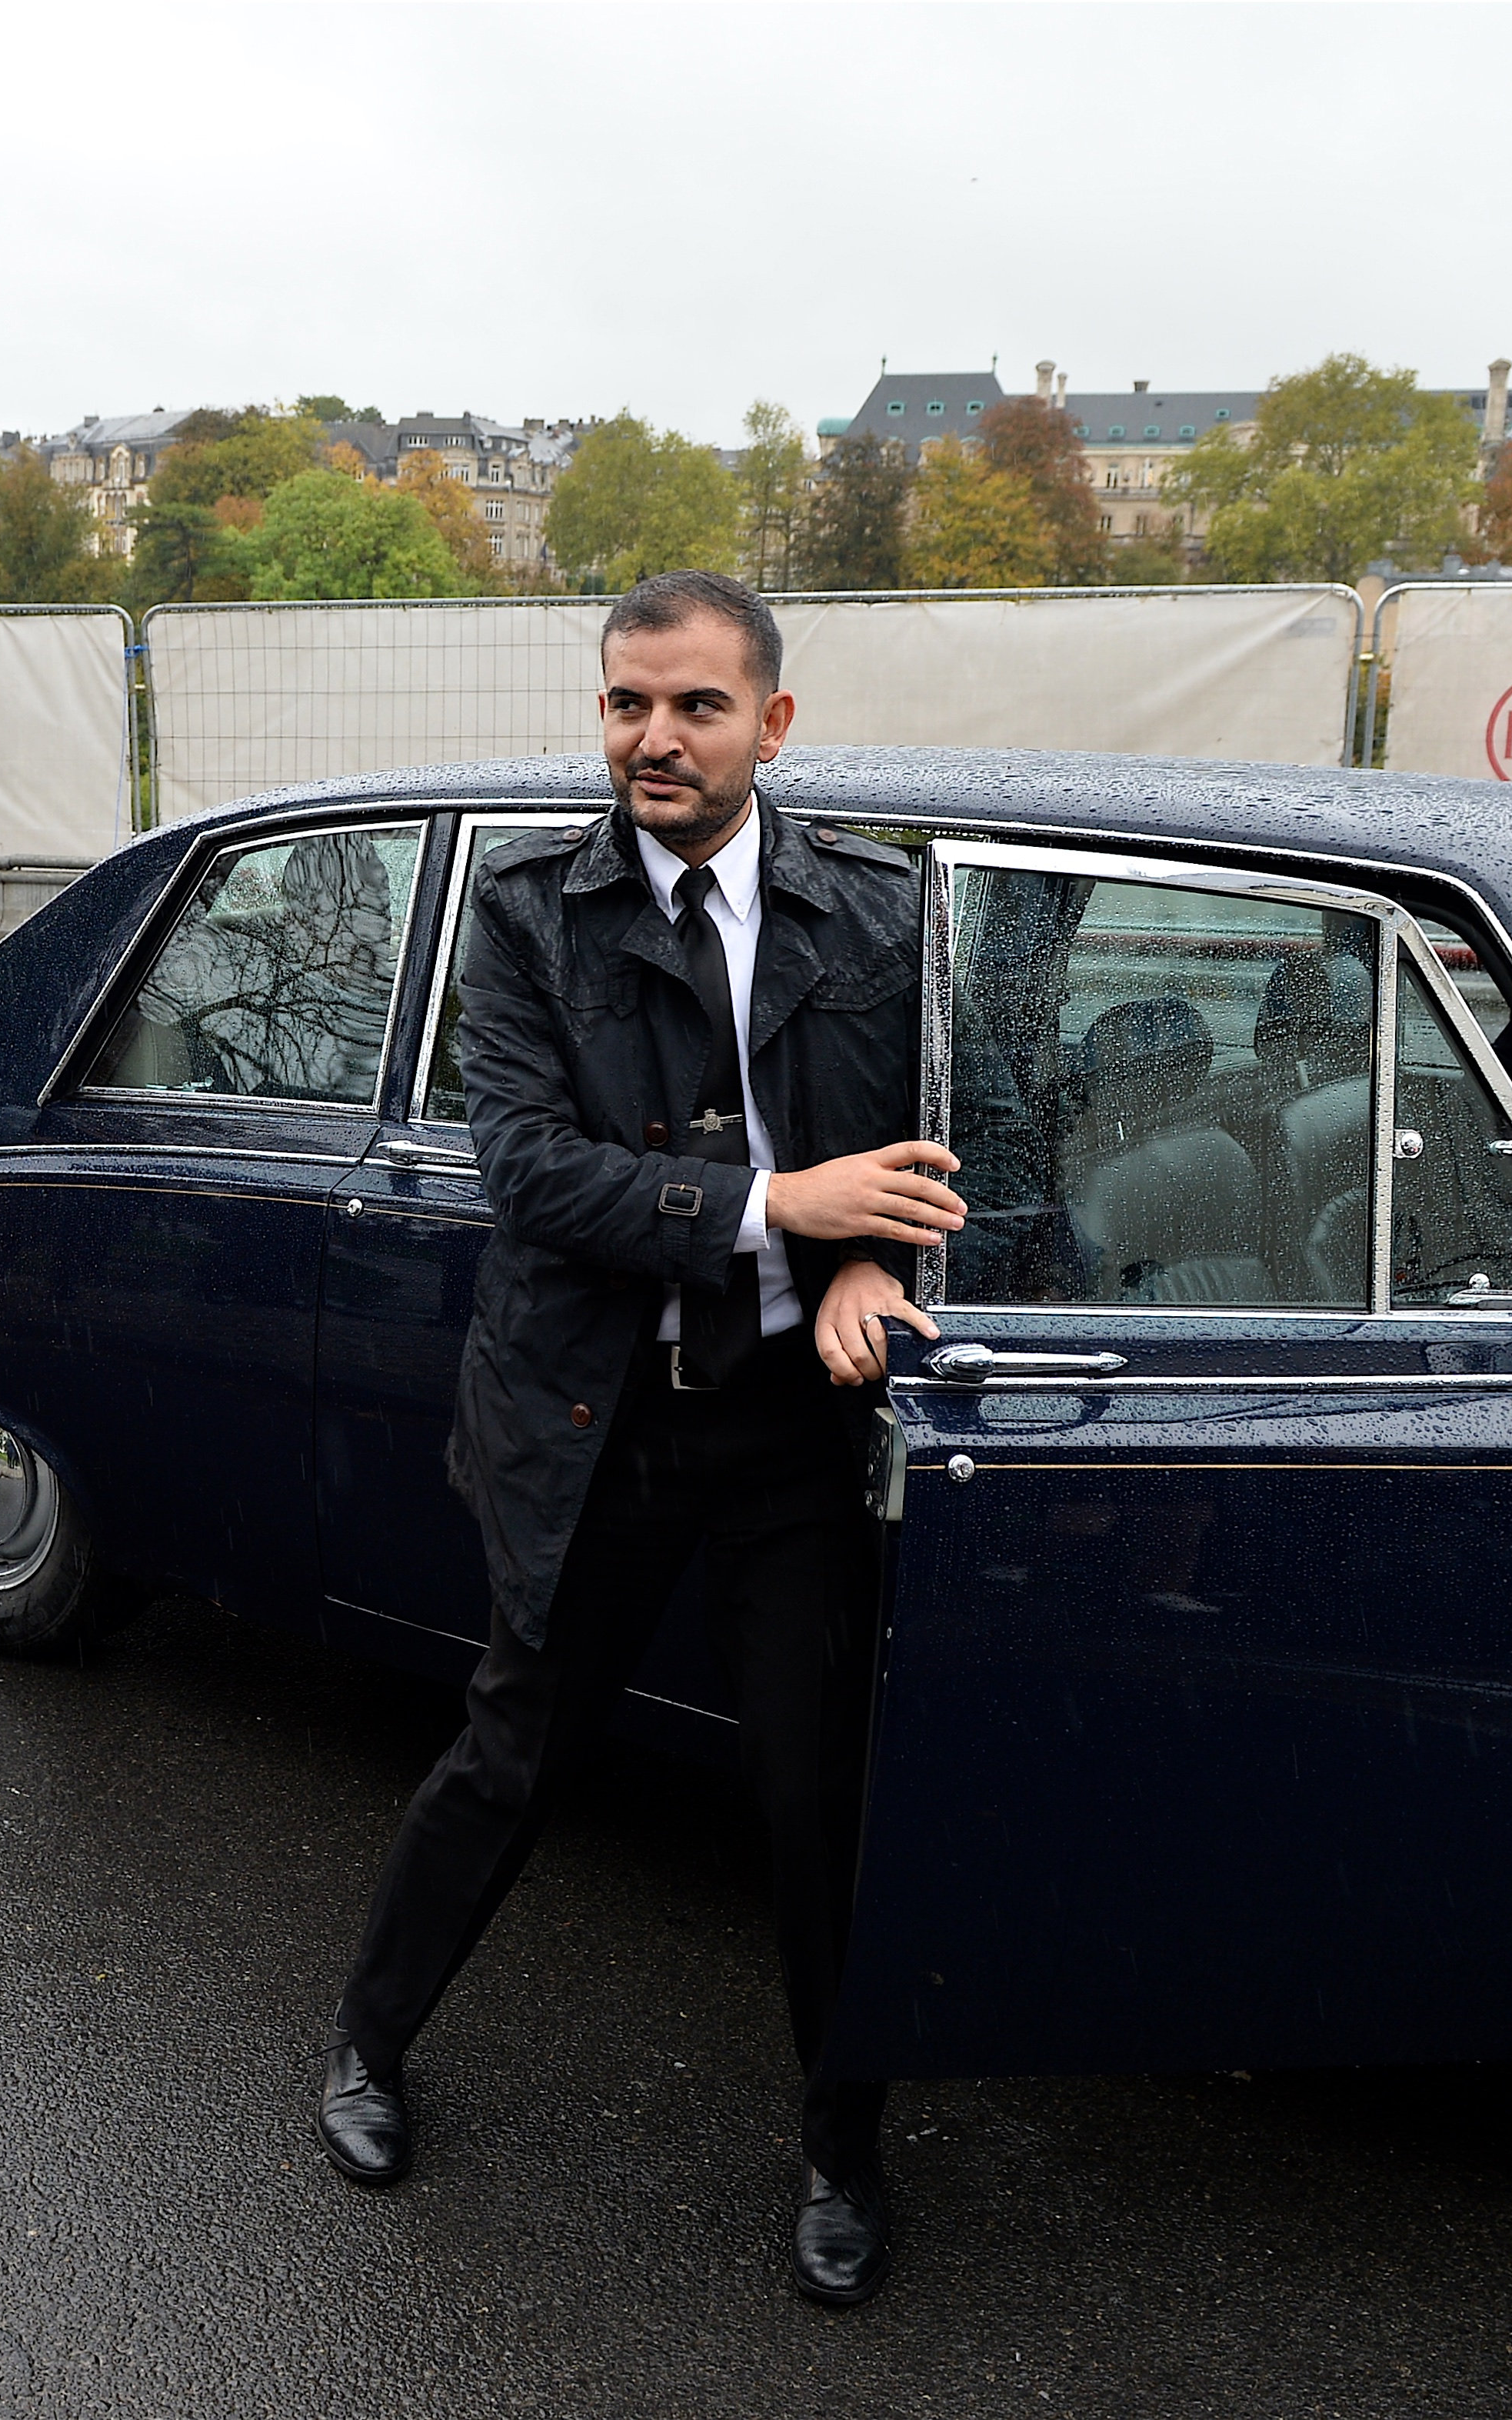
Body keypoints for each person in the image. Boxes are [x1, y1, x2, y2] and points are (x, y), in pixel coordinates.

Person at [313, 570, 964, 2308]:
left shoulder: (880, 916)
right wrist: (779, 1207)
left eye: (690, 705)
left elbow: (949, 1138)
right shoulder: (532, 912)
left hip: (787, 1436)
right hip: (589, 1420)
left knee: (818, 1799)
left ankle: (842, 2148)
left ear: (772, 721)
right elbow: (526, 1173)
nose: (652, 738)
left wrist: (868, 1256)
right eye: (624, 704)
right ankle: (370, 2042)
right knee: (512, 1754)